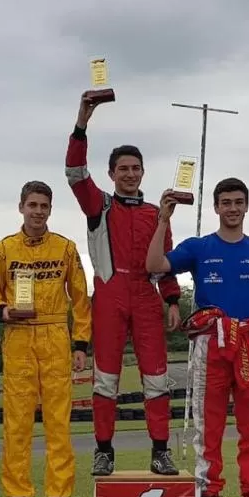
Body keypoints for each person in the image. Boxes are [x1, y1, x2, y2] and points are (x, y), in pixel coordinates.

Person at [146, 177, 249, 497]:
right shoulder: (199, 247)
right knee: (209, 425)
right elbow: (153, 266)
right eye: (226, 202)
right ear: (216, 207)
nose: (233, 208)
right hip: (211, 343)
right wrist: (162, 219)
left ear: (247, 205)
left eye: (238, 202)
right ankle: (208, 495)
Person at [65, 92, 182, 477]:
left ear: (143, 173)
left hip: (147, 298)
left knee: (156, 377)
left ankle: (160, 451)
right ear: (112, 173)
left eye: (136, 168)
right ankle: (103, 452)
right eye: (123, 169)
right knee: (105, 379)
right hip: (110, 295)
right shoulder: (100, 205)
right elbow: (75, 173)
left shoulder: (155, 213)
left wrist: (173, 300)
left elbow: (165, 262)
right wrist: (83, 121)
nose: (130, 174)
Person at [0, 181, 92, 497]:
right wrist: (2, 312)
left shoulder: (65, 248)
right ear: (21, 207)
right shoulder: (2, 249)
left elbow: (81, 298)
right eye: (33, 205)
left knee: (59, 421)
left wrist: (81, 343)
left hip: (56, 336)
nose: (38, 211)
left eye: (44, 206)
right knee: (17, 422)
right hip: (18, 338)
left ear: (50, 210)